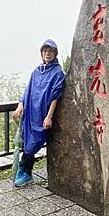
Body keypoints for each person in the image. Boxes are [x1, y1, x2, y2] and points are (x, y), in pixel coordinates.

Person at [12, 39, 65, 187]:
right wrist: (20, 105)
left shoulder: (57, 73)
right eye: (45, 51)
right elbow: (27, 90)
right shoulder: (36, 71)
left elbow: (55, 96)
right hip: (30, 113)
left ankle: (25, 171)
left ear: (55, 53)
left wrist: (49, 116)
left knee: (34, 143)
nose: (47, 54)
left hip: (43, 115)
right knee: (27, 141)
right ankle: (25, 172)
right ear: (41, 53)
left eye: (50, 51)